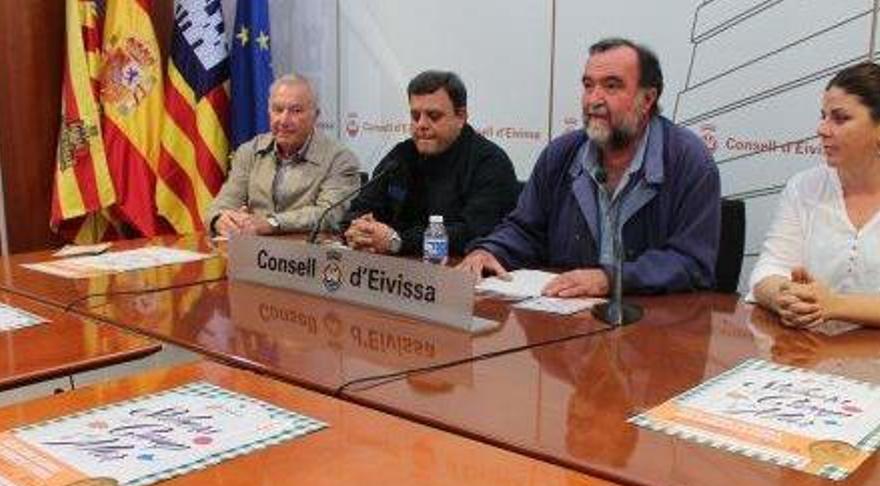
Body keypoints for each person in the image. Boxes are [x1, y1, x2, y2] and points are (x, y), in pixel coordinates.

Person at [458, 38, 720, 296]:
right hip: (564, 319)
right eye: (588, 85)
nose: (593, 99)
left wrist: (611, 279)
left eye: (611, 86)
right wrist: (490, 250)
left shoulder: (689, 161)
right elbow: (525, 230)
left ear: (648, 99)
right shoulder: (561, 154)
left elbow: (692, 262)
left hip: (655, 324)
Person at [749, 62, 880, 329]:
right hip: (810, 355)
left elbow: (827, 304)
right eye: (823, 116)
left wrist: (833, 305)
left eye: (840, 118)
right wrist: (785, 296)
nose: (822, 129)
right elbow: (768, 270)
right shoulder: (805, 187)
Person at [342, 70, 519, 256]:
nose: (421, 125)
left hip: (458, 273)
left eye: (433, 116)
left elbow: (473, 233)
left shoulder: (490, 162)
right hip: (394, 271)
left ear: (461, 116)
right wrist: (360, 230)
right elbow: (360, 209)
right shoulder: (401, 156)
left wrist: (397, 241)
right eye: (415, 116)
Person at [205, 74, 360, 236]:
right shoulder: (250, 151)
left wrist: (272, 223)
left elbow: (329, 215)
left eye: (296, 111)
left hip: (304, 257)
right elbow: (221, 205)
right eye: (278, 110)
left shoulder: (340, 159)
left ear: (316, 115)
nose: (284, 120)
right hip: (252, 252)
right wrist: (220, 221)